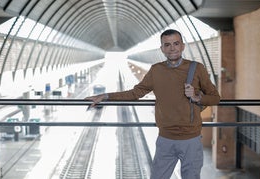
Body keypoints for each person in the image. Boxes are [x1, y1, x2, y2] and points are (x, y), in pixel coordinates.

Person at [85, 29, 220, 179]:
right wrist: (105, 96)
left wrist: (196, 97)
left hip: (191, 140)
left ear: (182, 46)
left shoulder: (197, 68)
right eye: (167, 45)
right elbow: (135, 93)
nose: (172, 48)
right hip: (165, 139)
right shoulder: (156, 70)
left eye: (176, 43)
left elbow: (215, 97)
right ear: (162, 49)